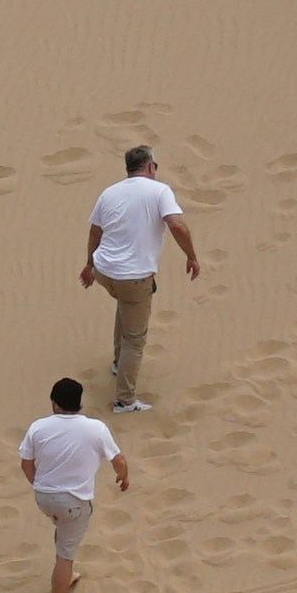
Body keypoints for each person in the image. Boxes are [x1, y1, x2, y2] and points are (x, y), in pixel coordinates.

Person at [78, 145, 197, 410]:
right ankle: (125, 400)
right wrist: (192, 256)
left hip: (103, 272)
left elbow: (95, 232)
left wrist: (89, 265)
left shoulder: (109, 192)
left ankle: (118, 363)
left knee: (125, 305)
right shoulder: (160, 191)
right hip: (133, 277)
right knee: (135, 338)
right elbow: (176, 225)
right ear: (151, 166)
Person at [19, 376, 126, 593]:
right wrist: (124, 477)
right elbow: (118, 461)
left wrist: (40, 486)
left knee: (63, 528)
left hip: (44, 498)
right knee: (64, 555)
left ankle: (68, 575)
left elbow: (26, 464)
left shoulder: (38, 427)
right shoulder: (96, 428)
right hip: (74, 503)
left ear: (55, 404)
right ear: (80, 404)